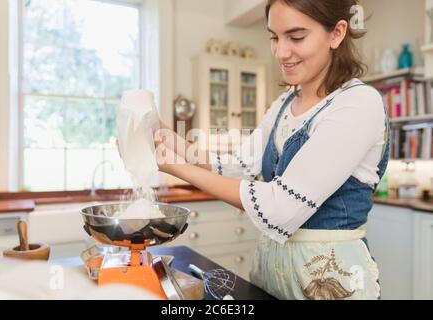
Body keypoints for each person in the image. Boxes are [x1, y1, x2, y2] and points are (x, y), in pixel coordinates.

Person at [154, 0, 389, 300]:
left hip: (331, 284)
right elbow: (235, 165)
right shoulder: (284, 104)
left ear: (336, 33)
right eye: (275, 37)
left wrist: (173, 167)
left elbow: (279, 207)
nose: (280, 52)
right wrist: (166, 136)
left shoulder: (358, 104)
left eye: (296, 37)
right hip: (269, 280)